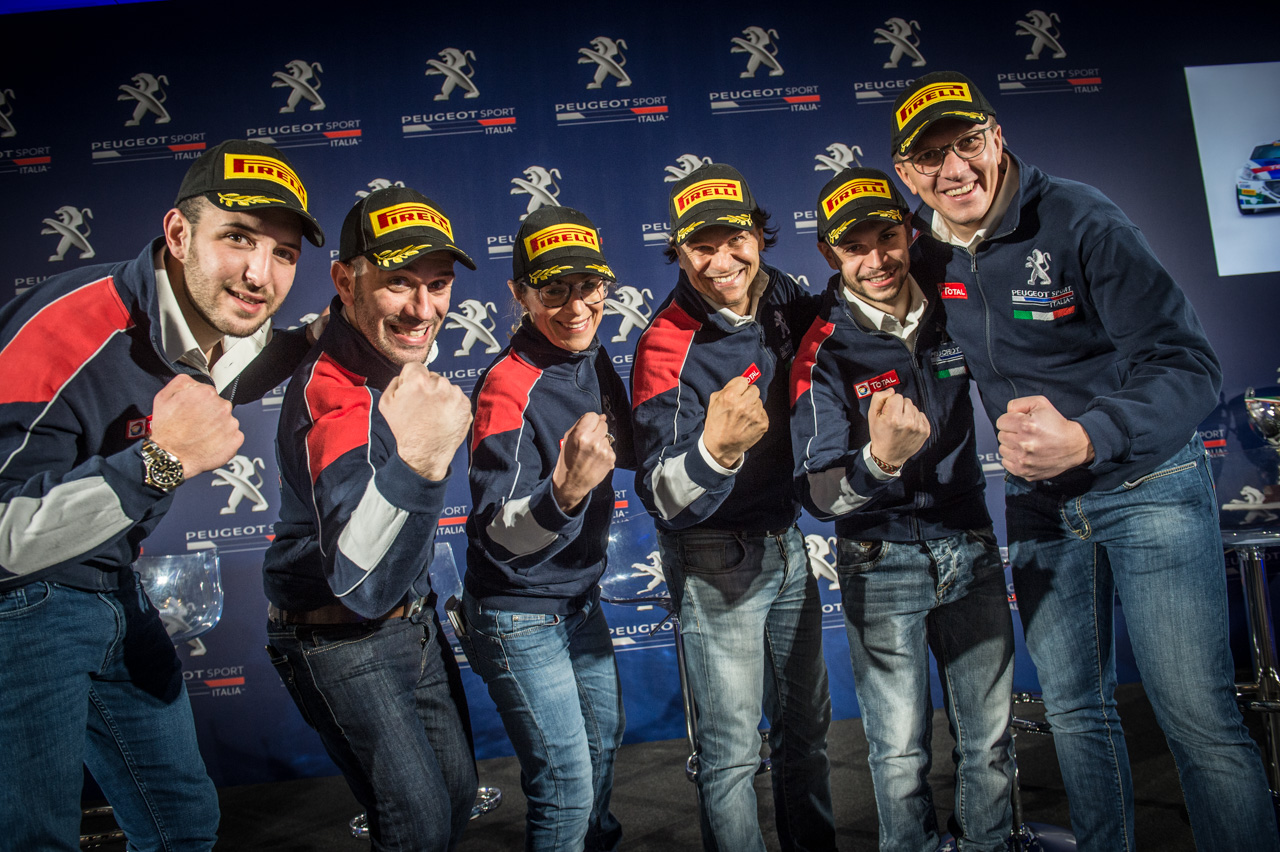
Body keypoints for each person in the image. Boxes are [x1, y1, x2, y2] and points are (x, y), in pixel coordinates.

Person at [890, 71, 1279, 851]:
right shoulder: (924, 253)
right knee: (1073, 712)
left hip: (1148, 484)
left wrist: (1090, 435)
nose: (955, 169)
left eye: (968, 142)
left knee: (1198, 719)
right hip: (1040, 504)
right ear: (907, 173)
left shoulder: (1079, 217)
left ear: (998, 138)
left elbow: (1189, 366)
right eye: (930, 157)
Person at [0, 139, 325, 850]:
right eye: (237, 238)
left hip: (114, 584)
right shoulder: (65, 332)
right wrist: (161, 462)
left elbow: (233, 371)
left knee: (182, 822)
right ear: (178, 234)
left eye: (283, 253)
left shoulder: (199, 315)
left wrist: (316, 337)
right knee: (33, 838)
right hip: (20, 603)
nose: (260, 274)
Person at [790, 167, 1014, 852]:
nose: (877, 259)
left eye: (887, 237)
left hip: (969, 539)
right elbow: (820, 494)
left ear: (910, 231)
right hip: (879, 555)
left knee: (990, 743)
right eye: (854, 247)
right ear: (829, 254)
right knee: (899, 754)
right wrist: (881, 460)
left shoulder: (953, 300)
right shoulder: (822, 346)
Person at [262, 186, 478, 851]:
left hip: (413, 625)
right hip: (339, 638)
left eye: (437, 285)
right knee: (416, 824)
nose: (423, 309)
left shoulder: (389, 357)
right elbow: (361, 582)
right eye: (399, 284)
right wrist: (425, 460)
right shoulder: (334, 394)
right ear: (344, 281)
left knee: (457, 798)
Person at [630, 162, 835, 852]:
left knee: (807, 732)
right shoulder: (665, 342)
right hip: (715, 555)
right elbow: (662, 495)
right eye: (701, 247)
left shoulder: (780, 292)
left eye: (735, 240)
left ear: (759, 236)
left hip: (787, 540)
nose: (722, 262)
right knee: (731, 754)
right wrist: (715, 452)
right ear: (678, 250)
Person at [461, 205, 633, 852]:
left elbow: (637, 446)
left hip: (577, 600)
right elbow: (496, 537)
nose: (576, 306)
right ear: (519, 294)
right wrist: (564, 492)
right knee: (565, 787)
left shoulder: (590, 358)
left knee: (602, 750)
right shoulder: (507, 386)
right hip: (518, 612)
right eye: (553, 289)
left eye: (589, 286)